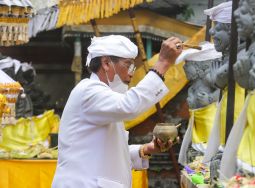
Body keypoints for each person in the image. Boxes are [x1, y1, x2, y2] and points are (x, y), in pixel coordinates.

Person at [52, 35, 183, 188]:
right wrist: (163, 63)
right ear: (106, 63)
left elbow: (108, 153)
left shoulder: (105, 97)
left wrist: (145, 149)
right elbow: (130, 106)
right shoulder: (89, 91)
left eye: (133, 67)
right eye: (128, 65)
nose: (131, 73)